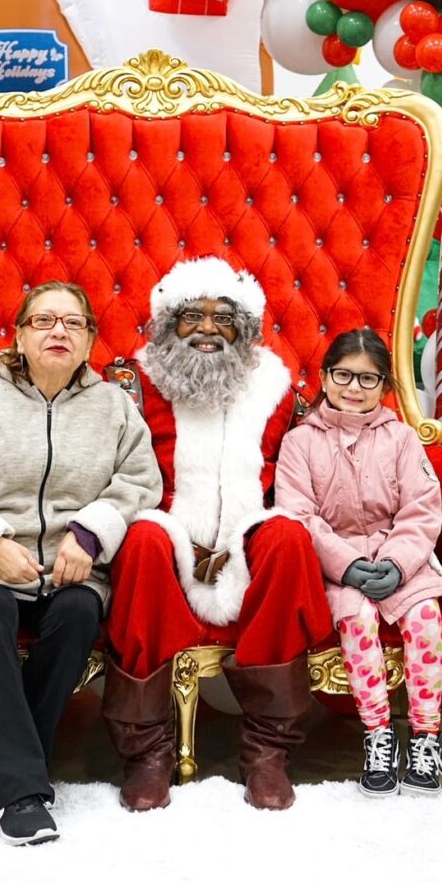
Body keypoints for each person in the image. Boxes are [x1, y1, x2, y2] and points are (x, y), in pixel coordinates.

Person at [0, 280, 162, 844]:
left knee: (76, 615)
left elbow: (143, 482)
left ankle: (1, 774)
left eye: (74, 324)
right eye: (44, 321)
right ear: (19, 335)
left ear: (90, 340)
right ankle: (21, 793)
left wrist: (90, 536)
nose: (58, 332)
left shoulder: (114, 407)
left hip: (69, 569)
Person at [102, 256, 333, 812]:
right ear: (166, 325)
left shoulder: (279, 389)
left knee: (288, 538)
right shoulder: (131, 385)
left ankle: (267, 752)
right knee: (141, 542)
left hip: (249, 540)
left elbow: (314, 468)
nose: (208, 329)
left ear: (246, 330)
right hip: (166, 536)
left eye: (224, 318)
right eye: (192, 316)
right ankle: (147, 753)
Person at [275, 327, 442, 797]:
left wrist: (399, 564)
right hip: (338, 564)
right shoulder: (300, 442)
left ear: (384, 386)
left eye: (368, 379)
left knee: (423, 617)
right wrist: (346, 566)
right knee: (357, 618)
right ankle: (378, 734)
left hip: (401, 556)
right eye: (343, 375)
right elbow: (298, 514)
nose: (353, 388)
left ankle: (425, 736)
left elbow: (422, 507)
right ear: (324, 376)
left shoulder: (402, 439)